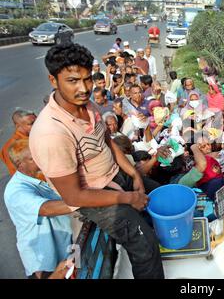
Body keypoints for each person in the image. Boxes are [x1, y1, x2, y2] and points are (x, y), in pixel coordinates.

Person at [29, 43, 164, 279]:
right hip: (94, 196)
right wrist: (128, 197)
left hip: (117, 176)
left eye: (87, 79)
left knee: (162, 197)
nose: (83, 89)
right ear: (53, 80)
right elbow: (74, 196)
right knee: (145, 244)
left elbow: (108, 142)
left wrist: (134, 174)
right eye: (72, 81)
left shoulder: (87, 105)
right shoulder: (50, 133)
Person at [4, 139, 73, 279]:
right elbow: (46, 209)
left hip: (67, 248)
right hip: (45, 262)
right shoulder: (16, 191)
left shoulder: (39, 177)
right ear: (20, 164)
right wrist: (85, 201)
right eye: (33, 158)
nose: (40, 159)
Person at [1, 109, 37, 176]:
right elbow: (17, 172)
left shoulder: (34, 135)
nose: (37, 125)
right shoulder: (12, 147)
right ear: (18, 126)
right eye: (31, 124)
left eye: (37, 121)